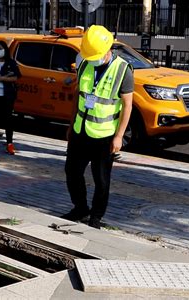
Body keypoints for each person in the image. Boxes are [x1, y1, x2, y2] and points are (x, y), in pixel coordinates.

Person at [62, 25, 134, 229]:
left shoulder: (122, 70)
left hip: (104, 135)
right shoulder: (85, 63)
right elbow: (79, 95)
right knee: (72, 172)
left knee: (101, 179)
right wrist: (71, 123)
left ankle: (96, 216)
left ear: (107, 50)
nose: (90, 57)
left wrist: (119, 136)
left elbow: (127, 105)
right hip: (80, 130)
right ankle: (80, 209)